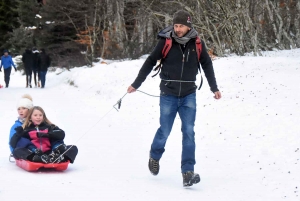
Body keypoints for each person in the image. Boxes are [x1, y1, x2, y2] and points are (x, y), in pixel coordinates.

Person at [127, 10, 222, 187]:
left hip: (189, 95)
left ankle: (188, 172)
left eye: (181, 26)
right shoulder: (166, 41)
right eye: (175, 26)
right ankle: (154, 156)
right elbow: (150, 61)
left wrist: (214, 87)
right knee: (165, 130)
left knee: (189, 132)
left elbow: (207, 64)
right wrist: (136, 84)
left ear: (188, 26)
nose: (177, 29)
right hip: (168, 94)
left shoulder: (197, 43)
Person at [10, 106, 78, 164]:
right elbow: (12, 143)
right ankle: (37, 158)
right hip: (35, 152)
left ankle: (60, 158)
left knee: (73, 148)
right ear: (30, 117)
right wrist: (18, 134)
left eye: (40, 115)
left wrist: (47, 134)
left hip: (50, 153)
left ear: (43, 116)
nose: (38, 117)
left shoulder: (49, 127)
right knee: (17, 151)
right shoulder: (27, 129)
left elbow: (61, 134)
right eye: (35, 115)